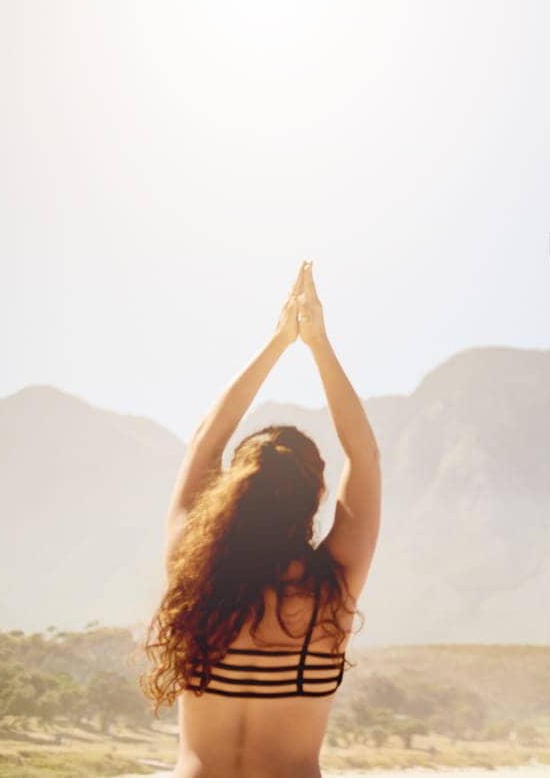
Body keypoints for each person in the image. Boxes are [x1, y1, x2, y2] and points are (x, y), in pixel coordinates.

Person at [142, 261, 381, 778]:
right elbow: (364, 457)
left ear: (231, 493)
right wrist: (318, 344)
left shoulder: (193, 573)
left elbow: (205, 440)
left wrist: (278, 341)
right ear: (317, 495)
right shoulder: (332, 589)